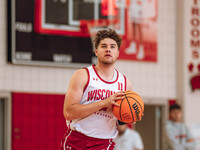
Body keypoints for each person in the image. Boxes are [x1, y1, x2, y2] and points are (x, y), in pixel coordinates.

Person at [60, 29, 139, 150]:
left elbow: (119, 121)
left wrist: (130, 116)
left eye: (112, 47)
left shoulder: (125, 84)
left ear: (117, 53)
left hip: (104, 143)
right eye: (104, 46)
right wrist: (104, 102)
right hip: (77, 140)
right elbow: (69, 113)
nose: (108, 49)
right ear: (96, 51)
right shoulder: (82, 75)